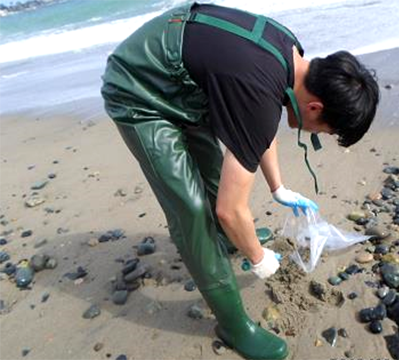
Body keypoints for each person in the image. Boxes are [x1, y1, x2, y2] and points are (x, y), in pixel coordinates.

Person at [100, 2, 379, 360]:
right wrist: (259, 258)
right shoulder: (259, 91)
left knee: (215, 174)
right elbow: (231, 209)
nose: (316, 135)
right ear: (315, 109)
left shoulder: (292, 54)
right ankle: (232, 325)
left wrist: (278, 188)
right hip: (139, 87)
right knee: (193, 210)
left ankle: (225, 243)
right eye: (323, 131)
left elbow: (256, 127)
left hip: (183, 82)